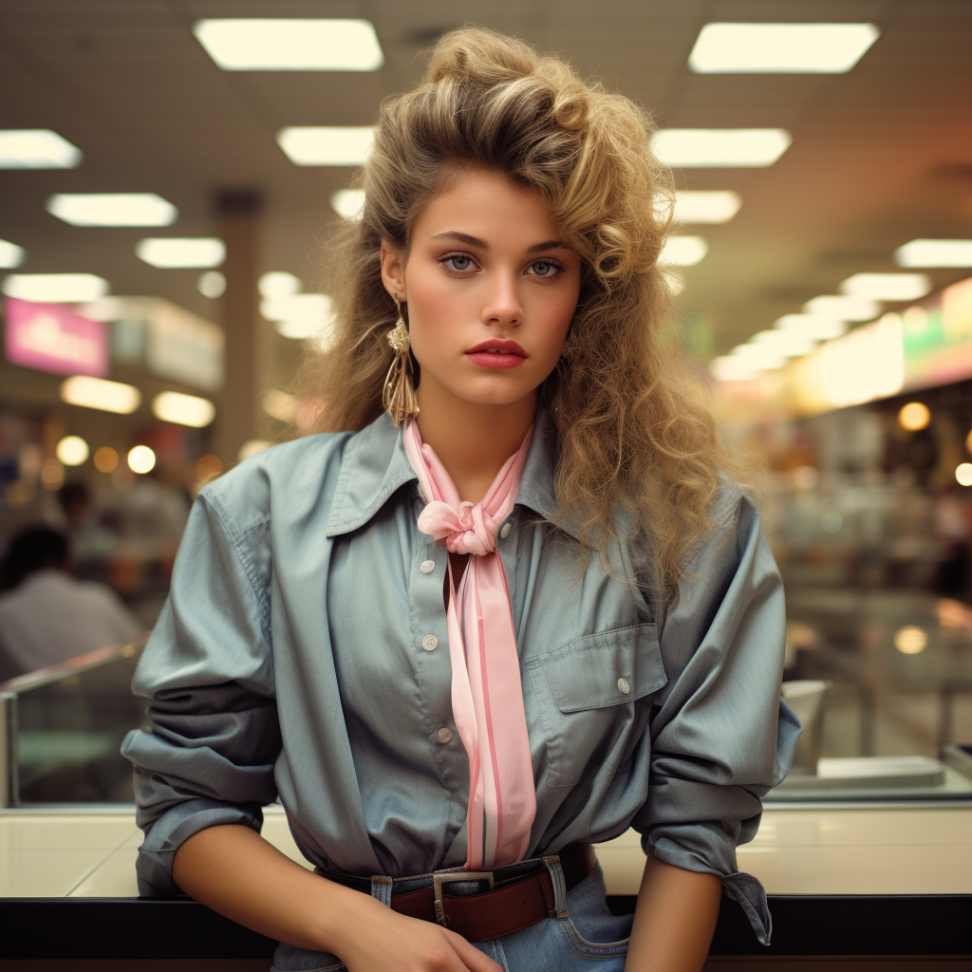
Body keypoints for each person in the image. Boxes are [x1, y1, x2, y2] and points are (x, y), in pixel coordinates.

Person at [122, 28, 799, 972]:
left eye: (545, 266)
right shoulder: (257, 517)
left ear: (583, 293)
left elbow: (699, 823)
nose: (504, 306)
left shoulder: (689, 525)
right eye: (460, 260)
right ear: (393, 268)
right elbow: (187, 810)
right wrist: (358, 929)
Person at [0, 525, 142, 683]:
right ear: (66, 561)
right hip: (111, 699)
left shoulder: (4, 611)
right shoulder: (96, 596)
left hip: (34, 705)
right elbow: (141, 652)